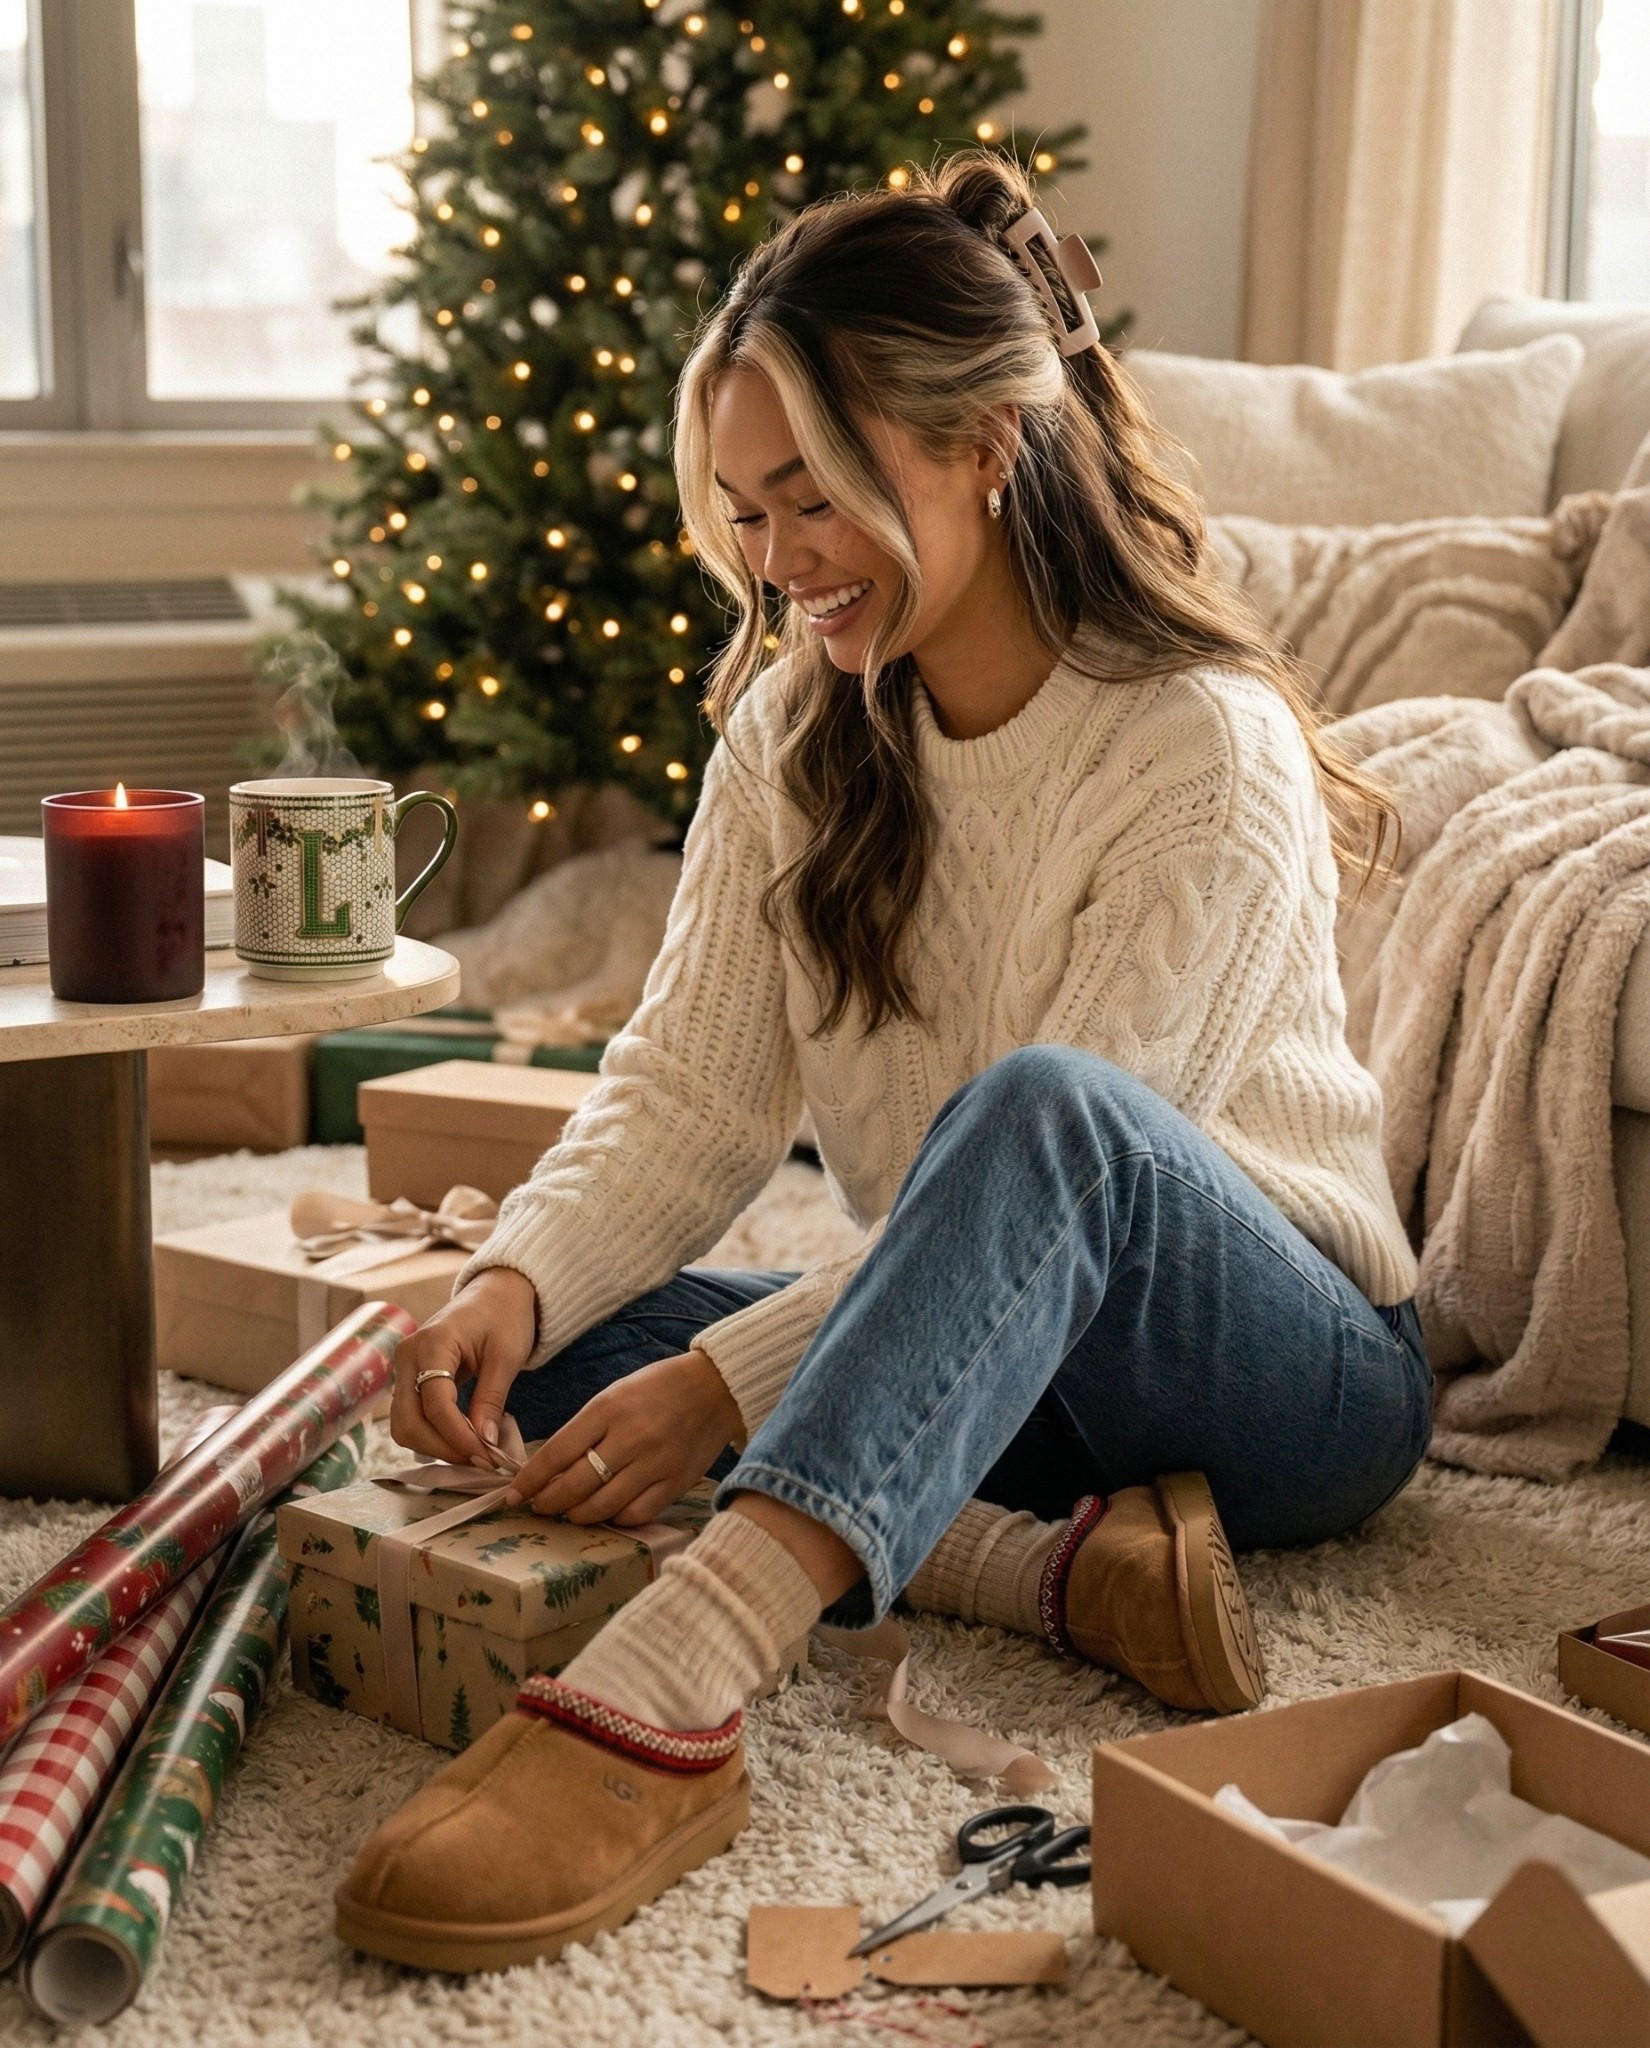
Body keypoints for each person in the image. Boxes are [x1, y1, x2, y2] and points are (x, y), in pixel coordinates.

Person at [333, 153, 1431, 1975]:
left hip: (1280, 1367)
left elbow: (1061, 1164)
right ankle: (1057, 1568)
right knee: (559, 1372)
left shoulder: (1191, 748)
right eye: (746, 513)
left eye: (815, 498)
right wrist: (513, 1282)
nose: (776, 564)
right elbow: (687, 1092)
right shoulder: (796, 725)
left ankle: (673, 1695)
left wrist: (731, 1387)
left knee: (1032, 1121)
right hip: (993, 1335)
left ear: (987, 444)